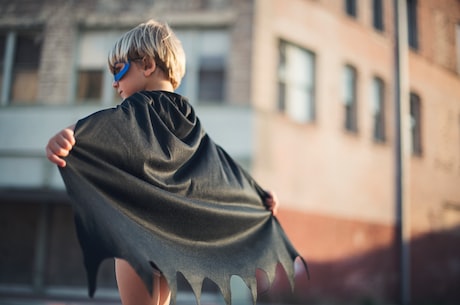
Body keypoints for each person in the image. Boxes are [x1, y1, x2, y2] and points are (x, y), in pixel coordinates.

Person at [46, 20, 300, 305]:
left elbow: (103, 124)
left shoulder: (137, 107)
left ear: (147, 65)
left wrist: (70, 134)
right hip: (168, 242)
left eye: (118, 70)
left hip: (137, 236)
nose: (115, 83)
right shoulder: (186, 114)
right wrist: (255, 192)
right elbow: (215, 163)